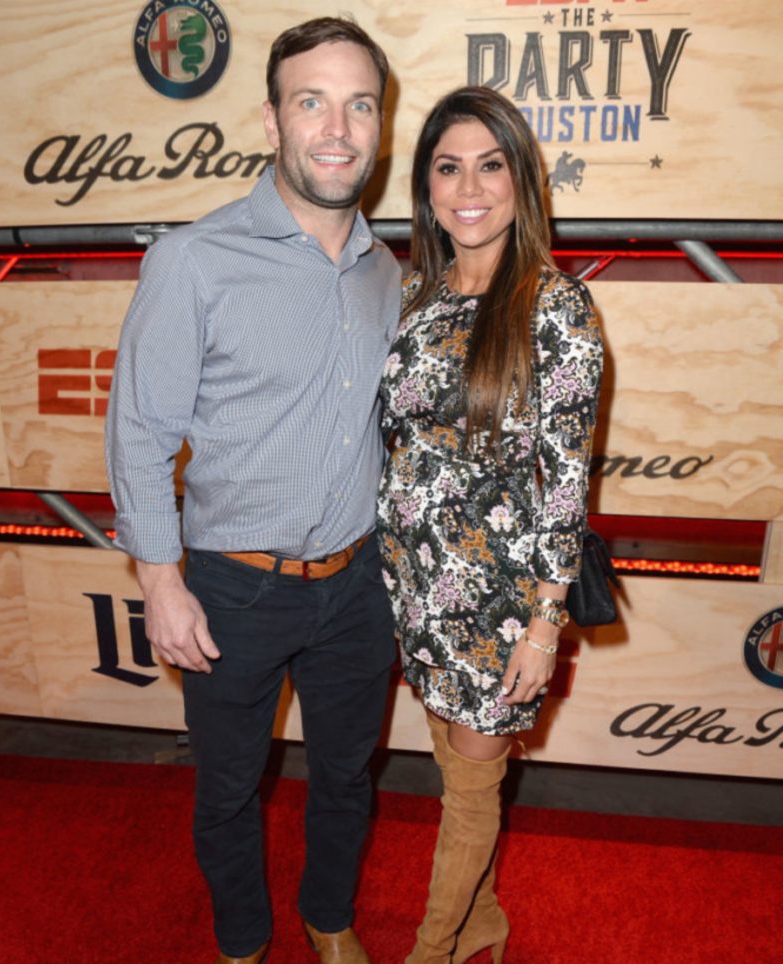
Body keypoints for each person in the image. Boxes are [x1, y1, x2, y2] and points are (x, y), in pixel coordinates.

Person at [105, 17, 401, 964]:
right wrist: (160, 580)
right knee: (229, 788)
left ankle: (329, 918)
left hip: (360, 587)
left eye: (360, 105)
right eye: (311, 102)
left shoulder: (388, 272)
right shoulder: (193, 259)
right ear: (271, 121)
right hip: (233, 587)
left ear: (379, 127)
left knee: (349, 776)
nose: (337, 129)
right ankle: (241, 942)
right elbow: (140, 432)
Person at [377, 87, 603, 964]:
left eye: (490, 164)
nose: (468, 186)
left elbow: (564, 481)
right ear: (427, 186)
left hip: (500, 611)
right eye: (447, 166)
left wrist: (544, 625)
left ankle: (430, 951)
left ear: (521, 180)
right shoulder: (416, 299)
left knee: (470, 795)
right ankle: (485, 934)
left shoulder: (558, 309)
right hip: (414, 593)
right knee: (454, 777)